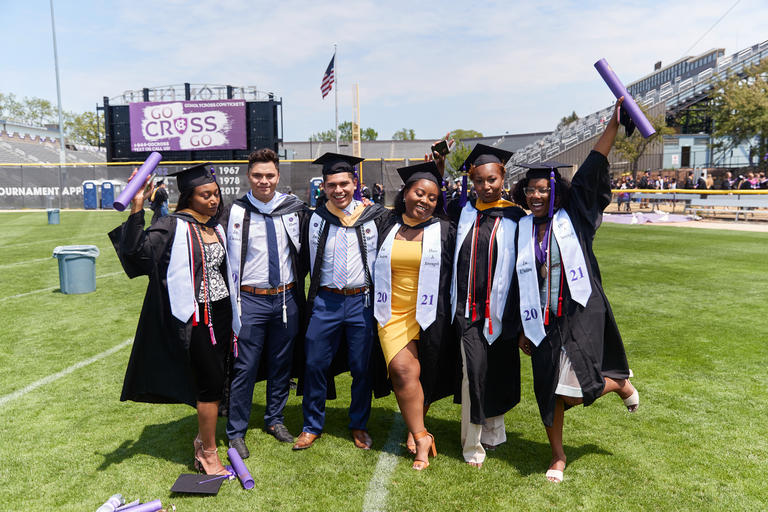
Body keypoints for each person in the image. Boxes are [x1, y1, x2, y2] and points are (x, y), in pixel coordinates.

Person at [512, 98, 638, 484]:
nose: (536, 196)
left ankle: (616, 382)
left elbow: (591, 171)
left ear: (555, 190)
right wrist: (521, 326)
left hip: (581, 311)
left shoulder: (575, 217)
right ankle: (558, 456)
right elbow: (515, 282)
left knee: (579, 389)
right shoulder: (520, 230)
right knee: (548, 391)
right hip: (540, 320)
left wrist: (613, 127)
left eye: (542, 190)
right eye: (530, 191)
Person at [108, 163, 233, 475]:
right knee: (210, 387)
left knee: (218, 380)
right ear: (190, 196)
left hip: (222, 314)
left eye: (215, 194)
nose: (213, 200)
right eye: (205, 195)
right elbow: (137, 255)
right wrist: (137, 207)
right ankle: (208, 453)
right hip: (196, 317)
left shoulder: (214, 227)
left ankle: (201, 440)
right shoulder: (175, 225)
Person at [294, 153, 390, 451]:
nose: (338, 190)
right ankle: (312, 424)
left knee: (362, 367)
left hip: (361, 302)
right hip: (325, 301)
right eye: (332, 184)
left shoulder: (375, 217)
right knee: (314, 363)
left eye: (344, 184)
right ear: (323, 186)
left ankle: (359, 424)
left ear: (355, 183)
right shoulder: (314, 218)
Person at [223, 148, 309, 459]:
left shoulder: (294, 209)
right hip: (249, 300)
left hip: (285, 298)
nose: (264, 181)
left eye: (269, 175)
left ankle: (275, 419)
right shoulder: (233, 212)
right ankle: (235, 431)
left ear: (278, 176)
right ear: (249, 176)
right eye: (258, 175)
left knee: (281, 365)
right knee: (244, 368)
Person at [373, 161, 457, 470]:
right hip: (391, 310)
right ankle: (422, 436)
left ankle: (416, 428)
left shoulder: (445, 229)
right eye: (419, 193)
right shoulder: (386, 223)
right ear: (405, 193)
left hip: (429, 309)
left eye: (432, 197)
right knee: (402, 370)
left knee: (425, 370)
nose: (425, 201)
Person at [446, 144, 525, 468]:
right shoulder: (461, 211)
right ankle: (472, 444)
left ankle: (494, 429)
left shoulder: (517, 217)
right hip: (467, 313)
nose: (485, 187)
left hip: (502, 312)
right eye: (479, 181)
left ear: (503, 177)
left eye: (491, 179)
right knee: (474, 375)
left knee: (499, 372)